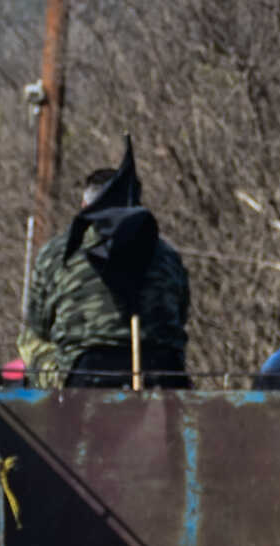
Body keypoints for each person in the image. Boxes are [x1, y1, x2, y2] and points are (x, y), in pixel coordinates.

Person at [18, 137, 189, 388]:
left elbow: (38, 324)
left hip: (82, 382)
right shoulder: (167, 255)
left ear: (85, 206)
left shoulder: (57, 252)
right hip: (164, 379)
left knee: (30, 339)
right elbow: (181, 316)